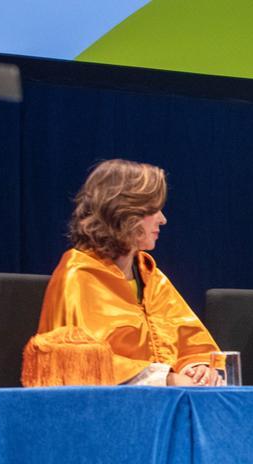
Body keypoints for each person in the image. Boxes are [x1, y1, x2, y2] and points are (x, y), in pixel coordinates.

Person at [26, 159, 221, 387]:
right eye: (153, 210)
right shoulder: (78, 276)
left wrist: (196, 368)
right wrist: (166, 379)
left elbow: (189, 345)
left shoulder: (150, 277)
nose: (163, 219)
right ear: (126, 214)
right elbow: (77, 368)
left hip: (162, 408)